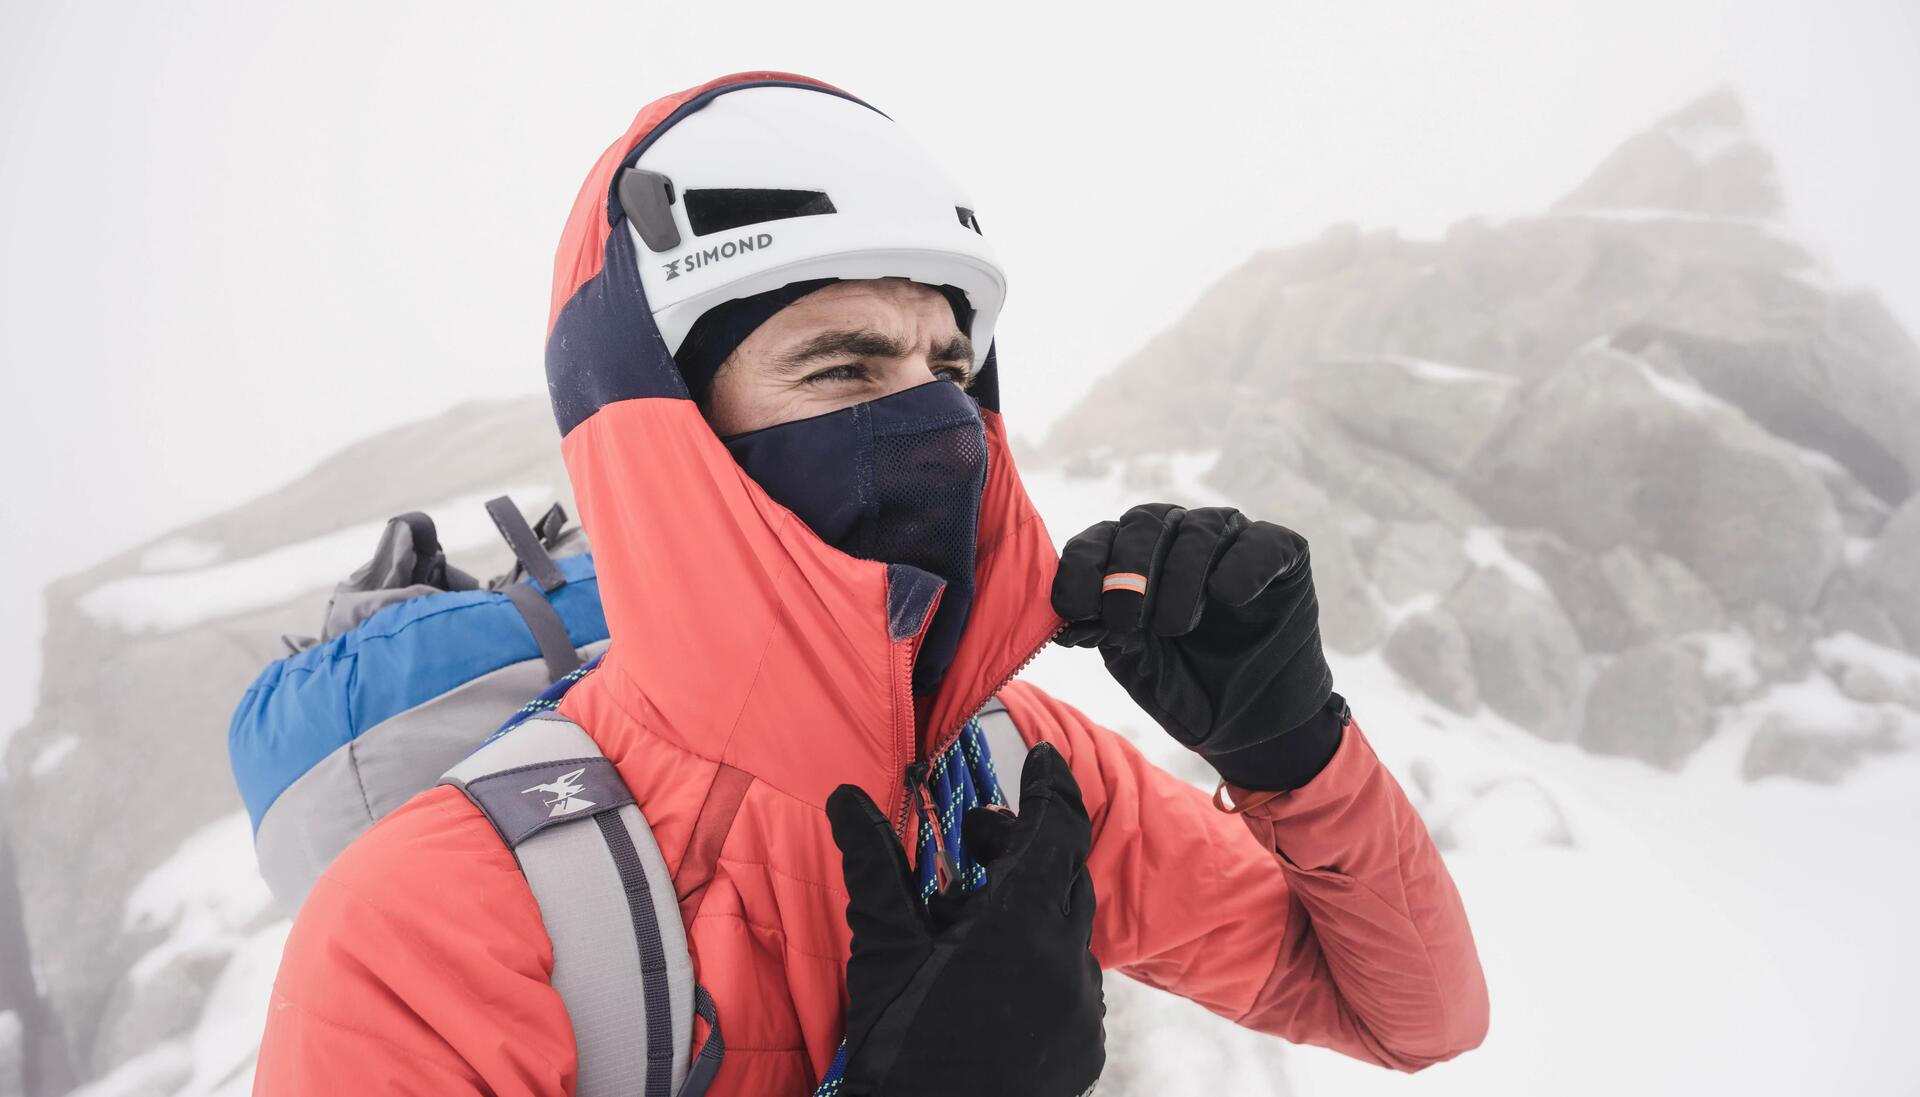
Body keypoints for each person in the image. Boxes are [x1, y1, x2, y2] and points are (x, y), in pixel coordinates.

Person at [254, 71, 1489, 1096]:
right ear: (667, 428)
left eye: (950, 365)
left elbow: (1410, 1014)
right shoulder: (427, 927)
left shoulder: (1013, 765)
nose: (934, 420)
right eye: (843, 366)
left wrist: (1291, 746)